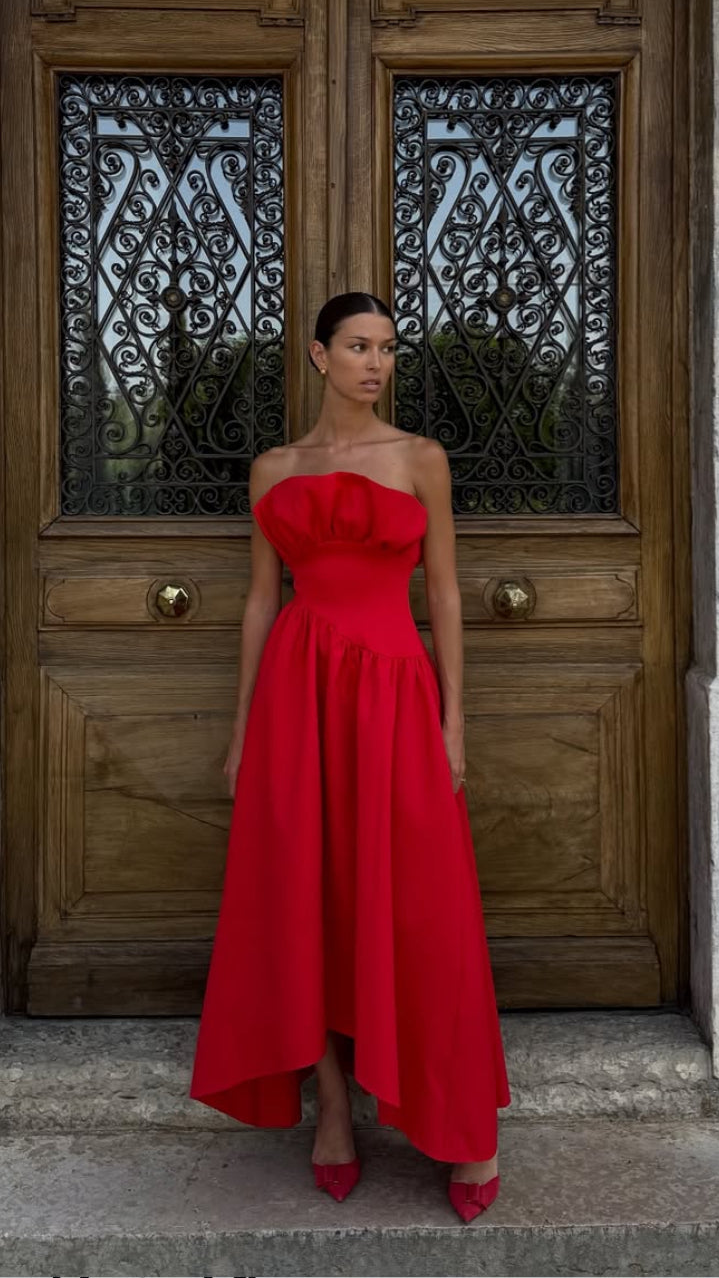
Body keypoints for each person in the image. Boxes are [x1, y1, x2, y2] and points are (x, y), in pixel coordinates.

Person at [188, 291, 511, 1222]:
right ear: (318, 355)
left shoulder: (420, 460)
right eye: (358, 346)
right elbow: (260, 600)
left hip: (394, 692)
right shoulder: (272, 469)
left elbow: (444, 594)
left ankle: (460, 1126)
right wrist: (245, 728)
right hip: (298, 693)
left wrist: (455, 722)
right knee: (307, 900)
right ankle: (332, 1108)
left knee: (423, 903)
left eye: (388, 349)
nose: (376, 363)